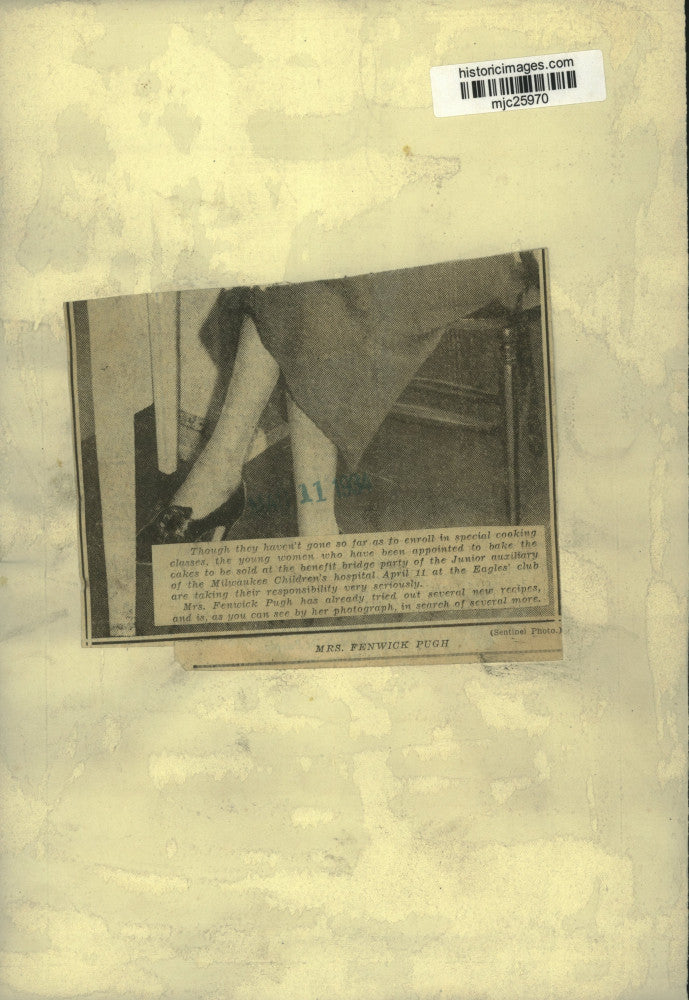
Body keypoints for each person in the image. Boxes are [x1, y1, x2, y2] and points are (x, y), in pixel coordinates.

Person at [136, 251, 536, 561]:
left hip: (478, 251)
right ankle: (308, 523)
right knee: (294, 277)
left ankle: (232, 481)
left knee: (310, 292)